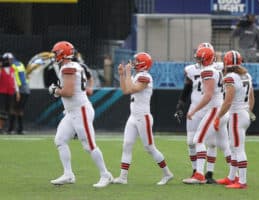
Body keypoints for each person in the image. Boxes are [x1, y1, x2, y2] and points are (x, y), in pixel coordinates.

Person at [48, 41, 113, 188]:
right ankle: (68, 174)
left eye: (56, 53)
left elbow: (69, 92)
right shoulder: (74, 66)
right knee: (60, 140)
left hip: (80, 110)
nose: (54, 56)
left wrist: (55, 91)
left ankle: (105, 174)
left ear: (62, 53)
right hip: (72, 111)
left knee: (89, 145)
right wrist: (59, 90)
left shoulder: (68, 68)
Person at [114, 52, 173, 185]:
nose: (134, 63)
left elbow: (131, 89)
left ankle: (167, 173)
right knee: (127, 145)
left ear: (143, 63)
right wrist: (122, 74)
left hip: (143, 117)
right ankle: (123, 177)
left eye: (136, 61)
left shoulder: (145, 76)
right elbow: (124, 90)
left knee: (149, 147)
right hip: (133, 116)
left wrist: (127, 73)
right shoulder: (138, 75)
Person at [175, 43, 231, 184]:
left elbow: (207, 96)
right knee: (224, 145)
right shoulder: (216, 70)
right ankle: (234, 175)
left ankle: (199, 175)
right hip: (221, 109)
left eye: (200, 57)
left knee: (198, 140)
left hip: (213, 110)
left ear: (205, 58)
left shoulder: (208, 71)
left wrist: (193, 110)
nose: (198, 60)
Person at [213, 50, 255, 189]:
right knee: (233, 146)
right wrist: (248, 111)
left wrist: (218, 116)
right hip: (244, 113)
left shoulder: (230, 77)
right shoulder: (246, 75)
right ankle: (231, 177)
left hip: (237, 115)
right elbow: (252, 97)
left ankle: (242, 181)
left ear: (227, 62)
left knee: (238, 148)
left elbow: (228, 101)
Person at [4, 53, 30, 134]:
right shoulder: (20, 64)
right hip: (26, 90)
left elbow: (15, 79)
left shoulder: (12, 67)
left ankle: (11, 129)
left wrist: (16, 90)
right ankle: (19, 129)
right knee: (19, 110)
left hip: (19, 89)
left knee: (13, 109)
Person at [0, 54, 20, 134]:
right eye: (9, 60)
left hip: (11, 92)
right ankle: (0, 128)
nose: (10, 61)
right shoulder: (1, 70)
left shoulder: (12, 69)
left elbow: (14, 81)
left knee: (10, 110)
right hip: (2, 92)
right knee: (2, 110)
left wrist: (17, 92)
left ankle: (10, 128)